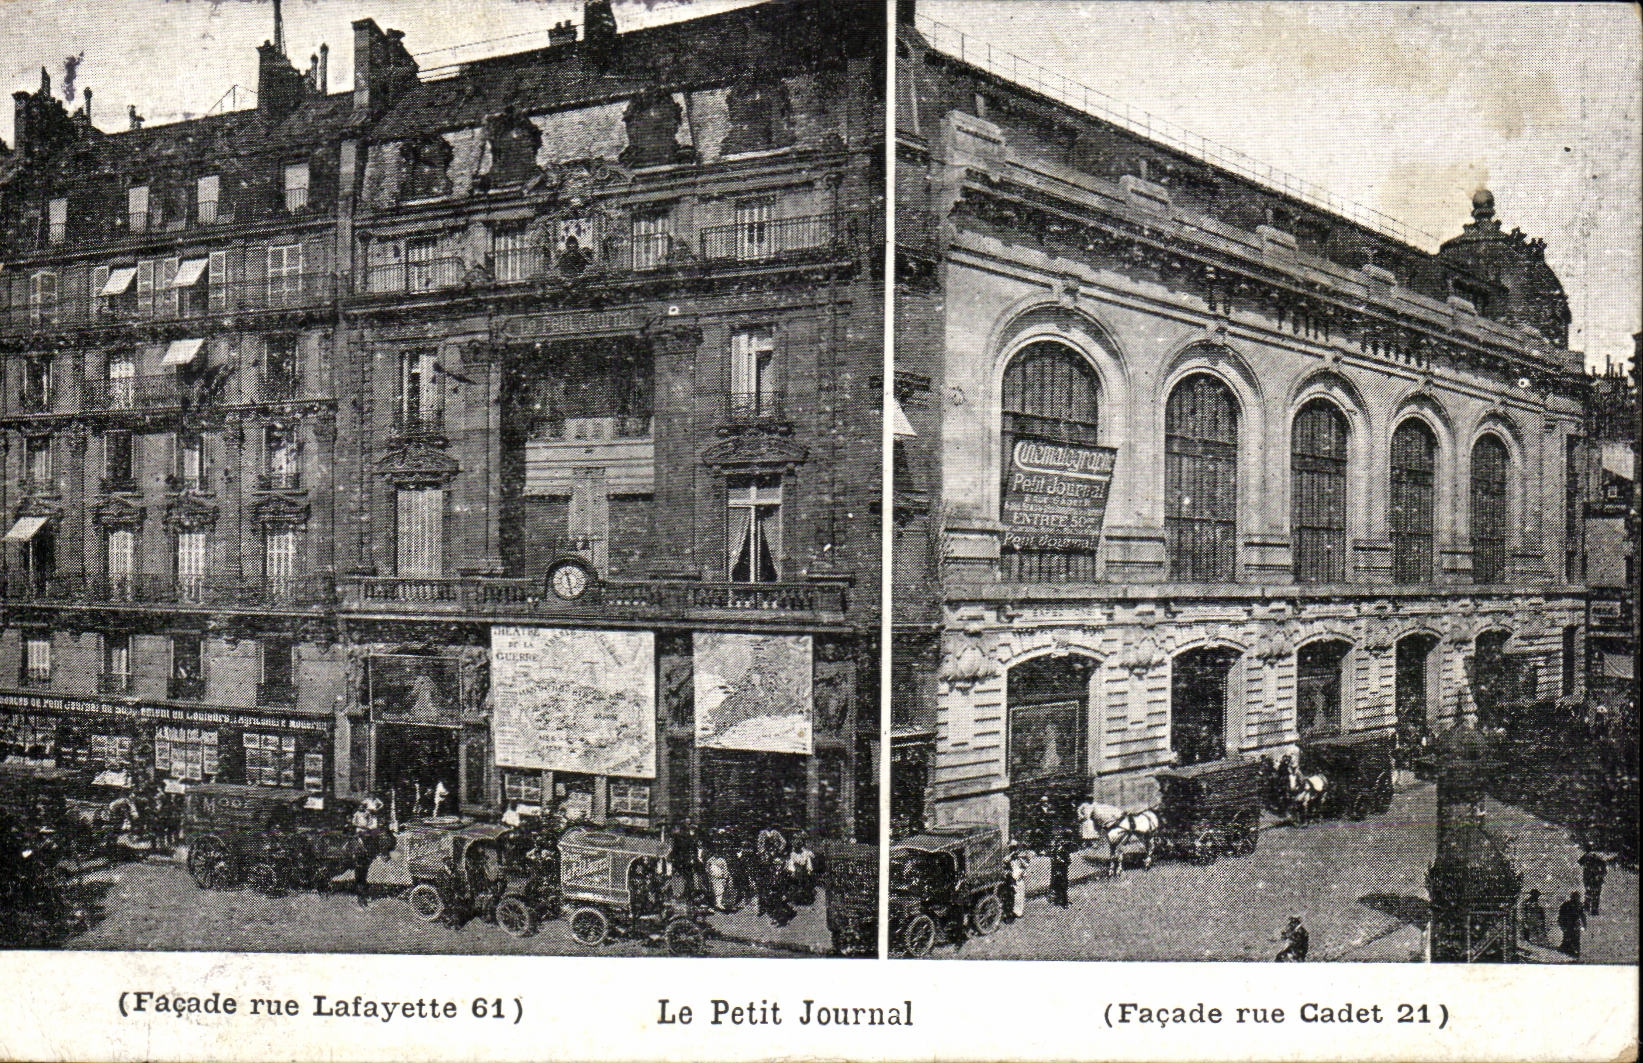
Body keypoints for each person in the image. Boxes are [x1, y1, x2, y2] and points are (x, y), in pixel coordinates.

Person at [349, 797, 381, 909]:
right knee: (360, 872)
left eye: (370, 810)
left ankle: (363, 896)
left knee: (363, 872)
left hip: (367, 836)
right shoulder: (359, 814)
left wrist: (368, 828)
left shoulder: (372, 817)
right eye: (367, 809)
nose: (368, 811)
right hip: (361, 835)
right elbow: (355, 824)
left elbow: (374, 828)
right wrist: (363, 828)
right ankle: (360, 898)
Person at [786, 832, 817, 906]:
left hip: (803, 871)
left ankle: (805, 899)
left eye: (799, 846)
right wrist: (792, 871)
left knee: (805, 883)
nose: (798, 848)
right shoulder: (792, 854)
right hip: (796, 871)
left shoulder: (805, 853)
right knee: (795, 884)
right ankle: (796, 899)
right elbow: (791, 862)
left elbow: (809, 860)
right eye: (796, 846)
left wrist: (809, 869)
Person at [1005, 845, 1030, 922]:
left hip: (1019, 878)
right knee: (1014, 896)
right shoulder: (1010, 858)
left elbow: (1026, 865)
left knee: (1020, 896)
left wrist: (1019, 858)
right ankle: (1012, 912)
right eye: (1012, 849)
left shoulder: (1021, 857)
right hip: (1012, 879)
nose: (1014, 851)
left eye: (1015, 849)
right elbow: (1005, 860)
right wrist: (1011, 855)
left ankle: (1019, 912)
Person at [1557, 891, 1585, 959]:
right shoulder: (1566, 905)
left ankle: (1574, 952)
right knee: (1568, 938)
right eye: (1575, 897)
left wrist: (1584, 925)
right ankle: (1568, 950)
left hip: (1575, 924)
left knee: (1575, 939)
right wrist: (1562, 924)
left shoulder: (1579, 905)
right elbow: (1561, 915)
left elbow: (1582, 915)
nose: (1576, 899)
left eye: (1577, 897)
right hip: (1568, 924)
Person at [1579, 849, 1606, 916]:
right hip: (1594, 879)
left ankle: (1589, 908)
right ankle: (1592, 909)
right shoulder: (1599, 859)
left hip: (1590, 879)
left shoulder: (1588, 857)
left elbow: (1580, 862)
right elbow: (1604, 871)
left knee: (1590, 893)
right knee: (1594, 894)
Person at [1047, 837, 1071, 909]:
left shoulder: (1064, 851)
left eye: (1058, 843)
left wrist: (1062, 861)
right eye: (1056, 843)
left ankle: (1065, 902)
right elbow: (1052, 860)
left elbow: (1069, 861)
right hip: (1055, 871)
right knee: (1055, 885)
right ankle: (1057, 900)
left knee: (1063, 886)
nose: (1056, 845)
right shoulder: (1054, 851)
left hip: (1062, 871)